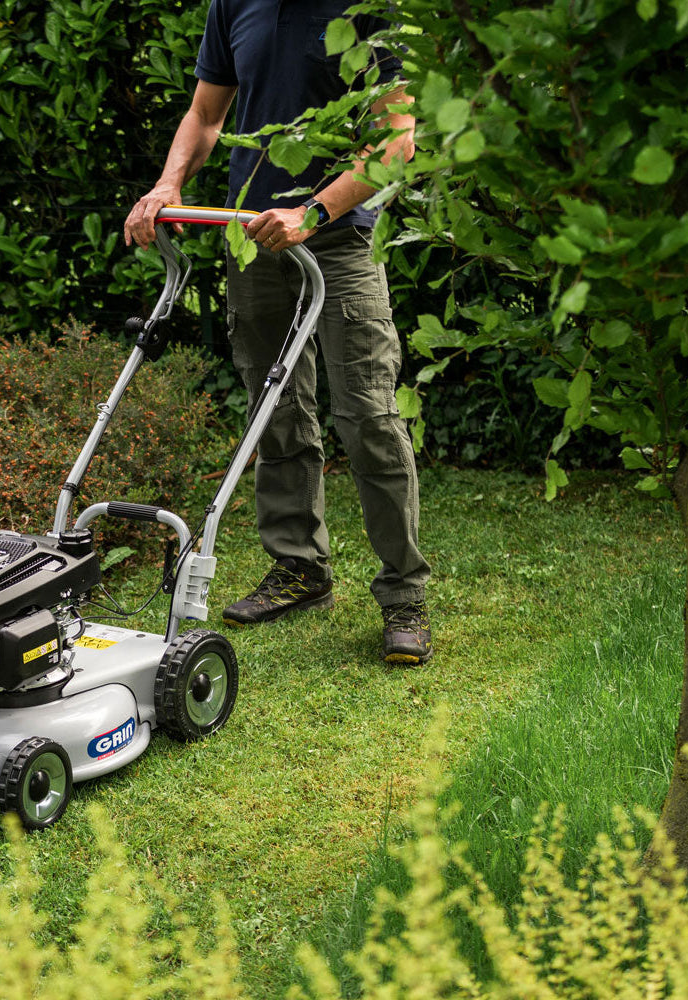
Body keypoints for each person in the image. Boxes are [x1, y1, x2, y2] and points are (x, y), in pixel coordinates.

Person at [123, 0, 433, 664]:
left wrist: (312, 211)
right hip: (253, 243)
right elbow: (206, 115)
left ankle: (403, 594)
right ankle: (300, 569)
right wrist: (166, 183)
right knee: (275, 411)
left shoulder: (372, 9)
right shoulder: (234, 3)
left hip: (340, 245)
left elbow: (394, 140)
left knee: (368, 418)